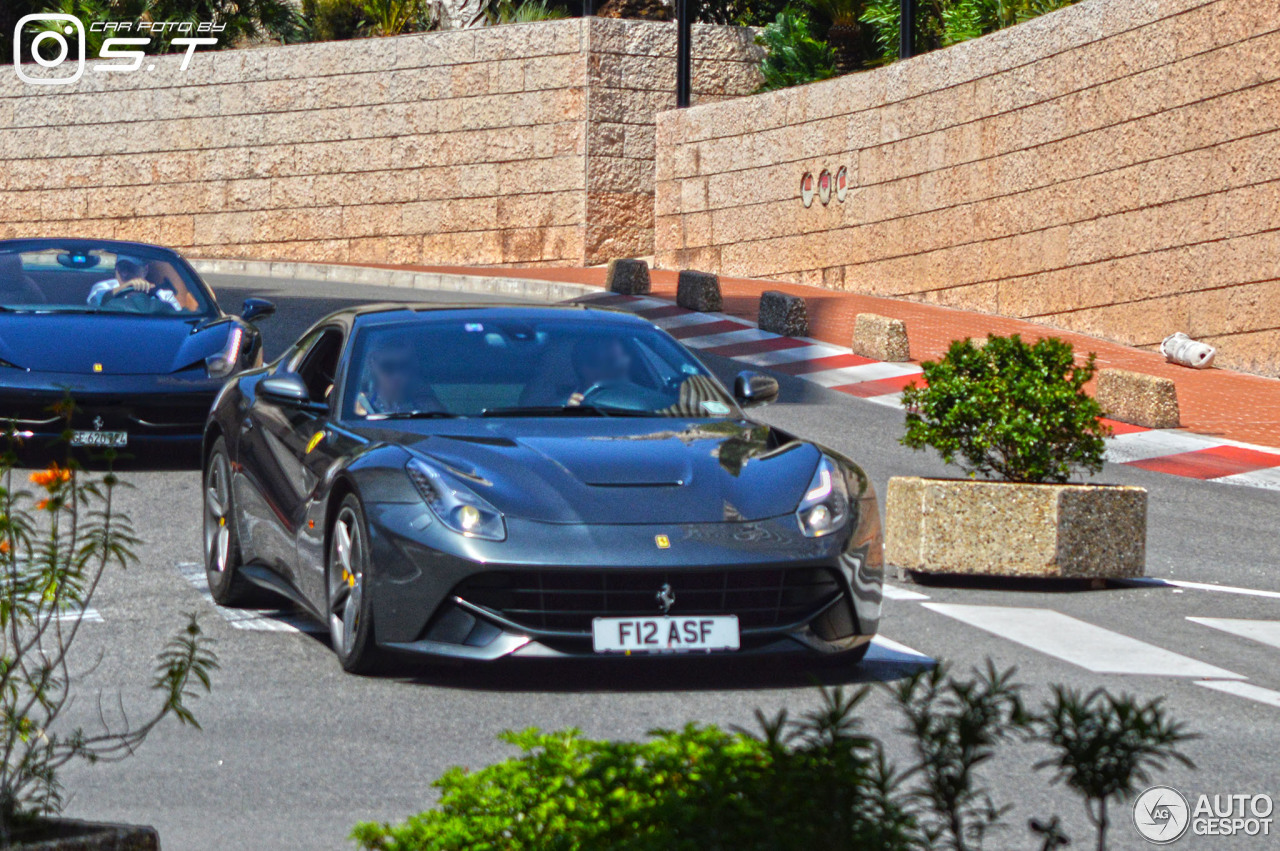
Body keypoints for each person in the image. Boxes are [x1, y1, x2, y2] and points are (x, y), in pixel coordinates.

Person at [353, 336, 442, 416]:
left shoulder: (428, 408)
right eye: (388, 366)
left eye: (404, 366)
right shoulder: (359, 406)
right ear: (372, 364)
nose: (397, 375)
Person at [87, 258, 181, 311]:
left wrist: (153, 292)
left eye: (131, 268)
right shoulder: (104, 287)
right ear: (116, 269)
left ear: (145, 270)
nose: (125, 273)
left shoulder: (162, 294)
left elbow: (178, 317)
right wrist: (126, 287)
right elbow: (96, 303)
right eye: (121, 268)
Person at [567, 337, 635, 406]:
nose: (615, 368)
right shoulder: (562, 407)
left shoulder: (639, 399)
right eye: (610, 362)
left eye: (613, 362)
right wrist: (571, 412)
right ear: (582, 369)